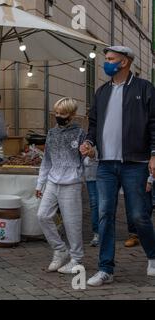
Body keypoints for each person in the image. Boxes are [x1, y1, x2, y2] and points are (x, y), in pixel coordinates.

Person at [80, 46, 155, 286]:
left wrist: (154, 154)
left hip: (136, 163)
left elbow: (154, 124)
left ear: (124, 62)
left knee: (138, 215)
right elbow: (93, 124)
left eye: (111, 60)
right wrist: (89, 142)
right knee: (104, 215)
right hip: (105, 165)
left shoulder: (144, 89)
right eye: (107, 60)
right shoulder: (101, 92)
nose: (107, 63)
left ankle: (153, 256)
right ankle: (105, 269)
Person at [36, 97, 86, 274]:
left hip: (71, 183)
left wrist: (81, 171)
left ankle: (77, 259)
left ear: (72, 115)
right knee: (42, 215)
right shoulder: (51, 133)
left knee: (72, 223)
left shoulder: (80, 134)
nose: (58, 116)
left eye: (62, 113)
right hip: (52, 180)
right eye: (56, 113)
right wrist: (39, 183)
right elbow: (47, 161)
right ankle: (60, 250)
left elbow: (87, 159)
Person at [84, 152, 100, 247]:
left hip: (107, 174)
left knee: (107, 204)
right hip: (91, 176)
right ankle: (97, 233)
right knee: (94, 205)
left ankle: (106, 232)